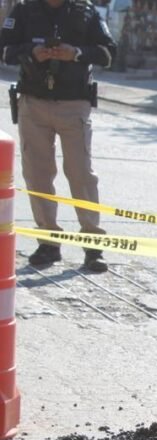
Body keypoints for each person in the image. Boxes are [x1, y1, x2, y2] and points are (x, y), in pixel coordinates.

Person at [0, 0, 116, 272]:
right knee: (38, 174)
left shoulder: (84, 11)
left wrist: (75, 53)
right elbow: (5, 51)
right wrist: (32, 51)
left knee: (80, 173)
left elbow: (108, 53)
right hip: (33, 102)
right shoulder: (25, 10)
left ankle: (92, 243)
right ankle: (49, 241)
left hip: (74, 103)